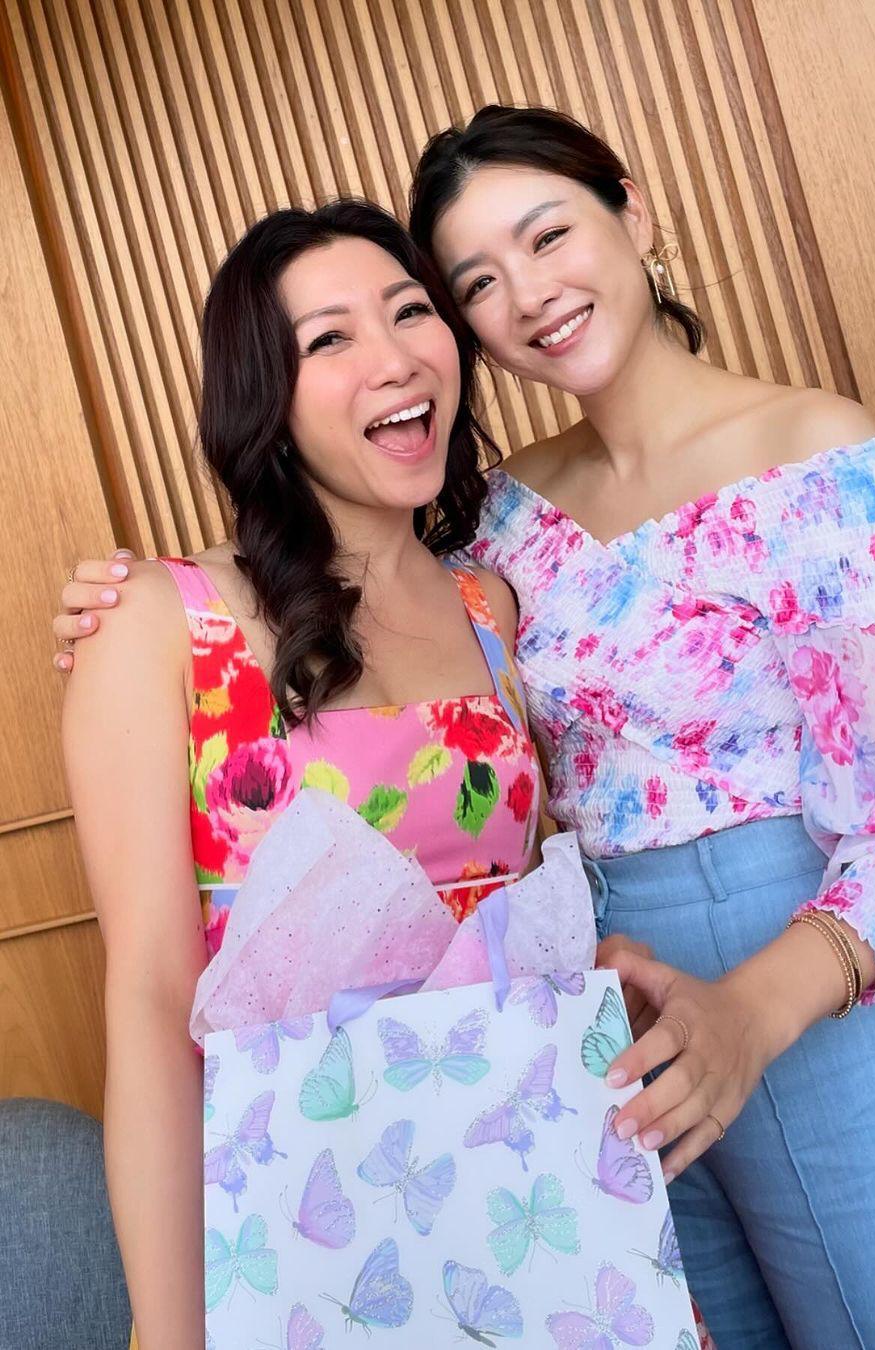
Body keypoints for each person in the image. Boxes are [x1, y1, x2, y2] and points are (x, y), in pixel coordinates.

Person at [57, 106, 875, 1346]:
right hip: (583, 1027)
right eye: (477, 280)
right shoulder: (499, 528)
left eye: (545, 237)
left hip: (807, 976)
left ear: (633, 213)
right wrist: (125, 616)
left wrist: (752, 1009)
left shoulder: (815, 453)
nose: (526, 294)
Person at [60, 198, 546, 1350]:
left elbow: (525, 926)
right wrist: (171, 1331)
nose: (395, 356)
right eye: (329, 338)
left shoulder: (491, 609)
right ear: (266, 403)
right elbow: (151, 1000)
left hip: (523, 1205)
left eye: (411, 312)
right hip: (295, 1225)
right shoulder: (159, 622)